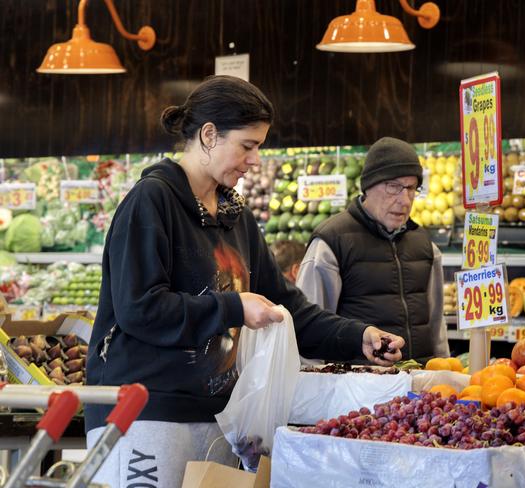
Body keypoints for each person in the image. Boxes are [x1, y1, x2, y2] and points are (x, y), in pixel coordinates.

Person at [85, 75, 405, 487]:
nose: (254, 160)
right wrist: (234, 307)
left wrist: (356, 338)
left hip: (220, 417)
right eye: (247, 145)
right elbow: (139, 309)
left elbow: (284, 306)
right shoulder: (151, 201)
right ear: (208, 135)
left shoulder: (235, 216)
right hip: (146, 415)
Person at [296, 137, 450, 363]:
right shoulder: (331, 243)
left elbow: (436, 325)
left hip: (419, 389)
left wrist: (443, 371)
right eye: (394, 187)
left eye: (411, 189)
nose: (404, 200)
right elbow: (309, 326)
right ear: (368, 186)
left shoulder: (426, 246)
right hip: (355, 389)